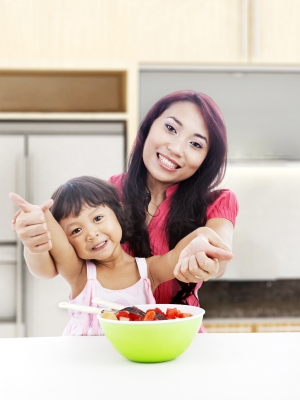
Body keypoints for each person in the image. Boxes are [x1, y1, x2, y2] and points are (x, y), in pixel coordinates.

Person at [11, 90, 238, 323]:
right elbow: (49, 268)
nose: (176, 148)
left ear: (206, 158)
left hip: (181, 337)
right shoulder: (108, 194)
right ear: (149, 126)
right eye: (171, 128)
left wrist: (205, 257)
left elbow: (218, 254)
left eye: (195, 144)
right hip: (110, 342)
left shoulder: (217, 201)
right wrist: (34, 239)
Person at [9, 176, 231, 336]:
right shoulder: (80, 274)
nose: (92, 234)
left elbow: (175, 256)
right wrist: (37, 224)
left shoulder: (148, 271)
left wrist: (202, 234)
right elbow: (43, 258)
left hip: (133, 361)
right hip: (85, 368)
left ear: (118, 213)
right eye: (76, 231)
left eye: (97, 218)